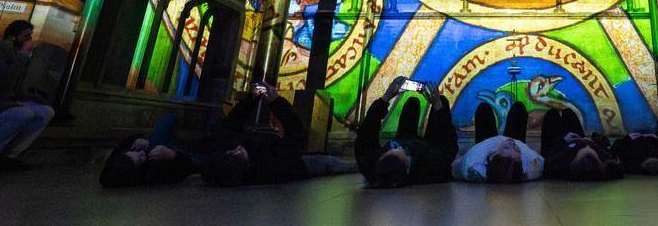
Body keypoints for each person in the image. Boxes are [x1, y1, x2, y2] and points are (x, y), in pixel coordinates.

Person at [203, 82, 356, 186]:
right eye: (238, 154)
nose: (237, 149)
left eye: (231, 151)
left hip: (290, 158)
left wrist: (252, 98)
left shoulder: (218, 169)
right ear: (246, 164)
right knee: (330, 163)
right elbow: (296, 132)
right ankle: (360, 167)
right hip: (299, 166)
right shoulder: (272, 165)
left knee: (327, 160)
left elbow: (233, 122)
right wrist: (276, 101)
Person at [0, 20, 55, 171]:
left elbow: (12, 87)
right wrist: (22, 56)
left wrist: (30, 97)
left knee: (46, 112)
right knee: (23, 114)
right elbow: (3, 78)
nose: (29, 40)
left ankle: (10, 155)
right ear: (13, 37)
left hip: (5, 102)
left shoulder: (16, 55)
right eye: (26, 36)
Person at [357, 77, 458, 187]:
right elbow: (449, 145)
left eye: (393, 146)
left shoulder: (369, 165)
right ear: (407, 168)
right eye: (402, 151)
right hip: (426, 148)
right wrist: (437, 105)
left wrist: (386, 98)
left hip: (404, 138)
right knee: (442, 103)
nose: (400, 147)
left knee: (412, 103)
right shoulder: (431, 169)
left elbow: (366, 131)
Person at [453, 101, 544, 183]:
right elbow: (541, 161)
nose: (511, 142)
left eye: (506, 147)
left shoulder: (474, 166)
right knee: (518, 108)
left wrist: (457, 160)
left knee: (484, 109)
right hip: (516, 143)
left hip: (485, 143)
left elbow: (457, 166)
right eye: (517, 149)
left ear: (492, 157)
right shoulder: (533, 166)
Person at [99, 114, 199, 188]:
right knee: (200, 163)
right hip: (172, 158)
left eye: (135, 151)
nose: (142, 152)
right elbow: (186, 168)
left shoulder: (117, 165)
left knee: (168, 120)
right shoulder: (154, 173)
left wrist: (136, 139)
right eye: (141, 158)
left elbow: (106, 174)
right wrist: (172, 155)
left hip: (156, 147)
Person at [540, 107, 622, 181]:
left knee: (552, 115)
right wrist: (598, 141)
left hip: (563, 145)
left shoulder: (562, 163)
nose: (587, 148)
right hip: (578, 138)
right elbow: (615, 160)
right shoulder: (604, 158)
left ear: (575, 160)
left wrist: (564, 140)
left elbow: (548, 159)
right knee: (568, 113)